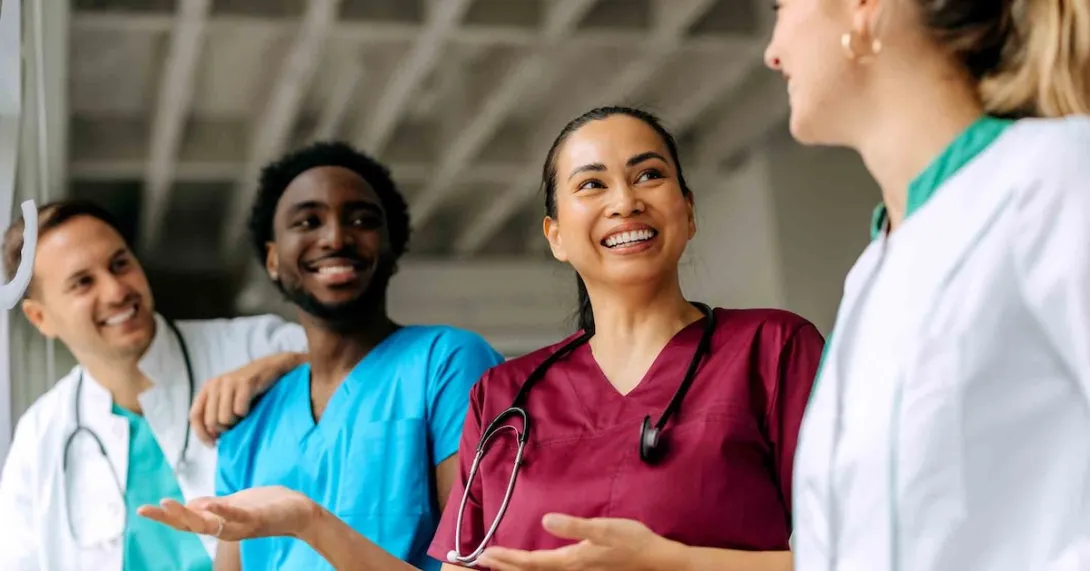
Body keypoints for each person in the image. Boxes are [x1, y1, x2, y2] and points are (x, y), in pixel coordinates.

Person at [138, 107, 826, 571]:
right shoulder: (506, 392)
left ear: (688, 209)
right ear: (554, 234)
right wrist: (308, 520)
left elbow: (873, 548)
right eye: (592, 184)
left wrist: (669, 560)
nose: (624, 200)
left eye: (649, 174)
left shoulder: (774, 350)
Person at [763, 0, 1090, 569]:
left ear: (863, 9)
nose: (772, 52)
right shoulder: (871, 274)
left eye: (781, 8)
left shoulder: (1055, 178)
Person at [141, 142, 506, 571]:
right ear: (273, 258)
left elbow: (478, 563)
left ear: (391, 249)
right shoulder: (250, 421)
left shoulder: (449, 364)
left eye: (361, 220)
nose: (335, 237)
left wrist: (309, 522)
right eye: (308, 221)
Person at [0, 200, 310, 571]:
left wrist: (287, 365)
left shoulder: (257, 346)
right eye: (83, 282)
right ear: (40, 318)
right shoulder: (40, 435)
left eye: (120, 264)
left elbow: (374, 373)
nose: (116, 291)